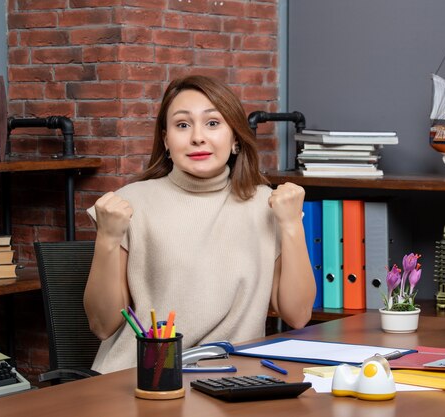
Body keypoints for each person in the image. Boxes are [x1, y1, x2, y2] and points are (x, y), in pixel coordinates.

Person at [83, 75, 316, 374]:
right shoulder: (129, 204)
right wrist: (107, 238)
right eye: (182, 125)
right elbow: (102, 326)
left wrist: (292, 225)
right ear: (166, 140)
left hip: (232, 379)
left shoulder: (268, 204)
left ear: (235, 138)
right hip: (144, 378)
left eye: (213, 123)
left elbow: (297, 315)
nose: (197, 137)